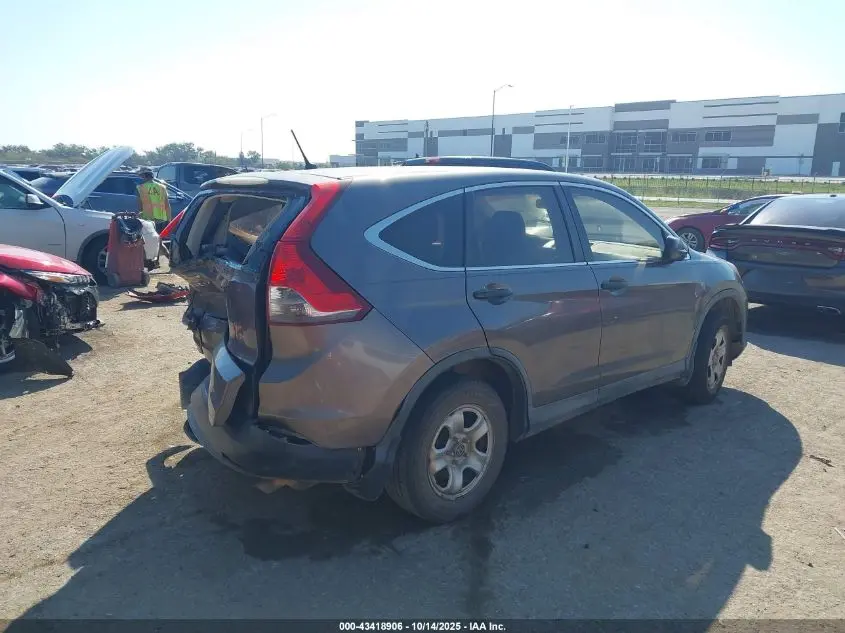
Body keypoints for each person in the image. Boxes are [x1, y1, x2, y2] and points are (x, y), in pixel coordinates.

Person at [136, 168, 171, 233]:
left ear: (144, 176)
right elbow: (167, 205)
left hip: (147, 219)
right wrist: (169, 220)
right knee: (160, 238)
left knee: (150, 239)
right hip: (161, 219)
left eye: (141, 176)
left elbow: (140, 206)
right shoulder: (162, 187)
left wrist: (139, 217)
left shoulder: (140, 188)